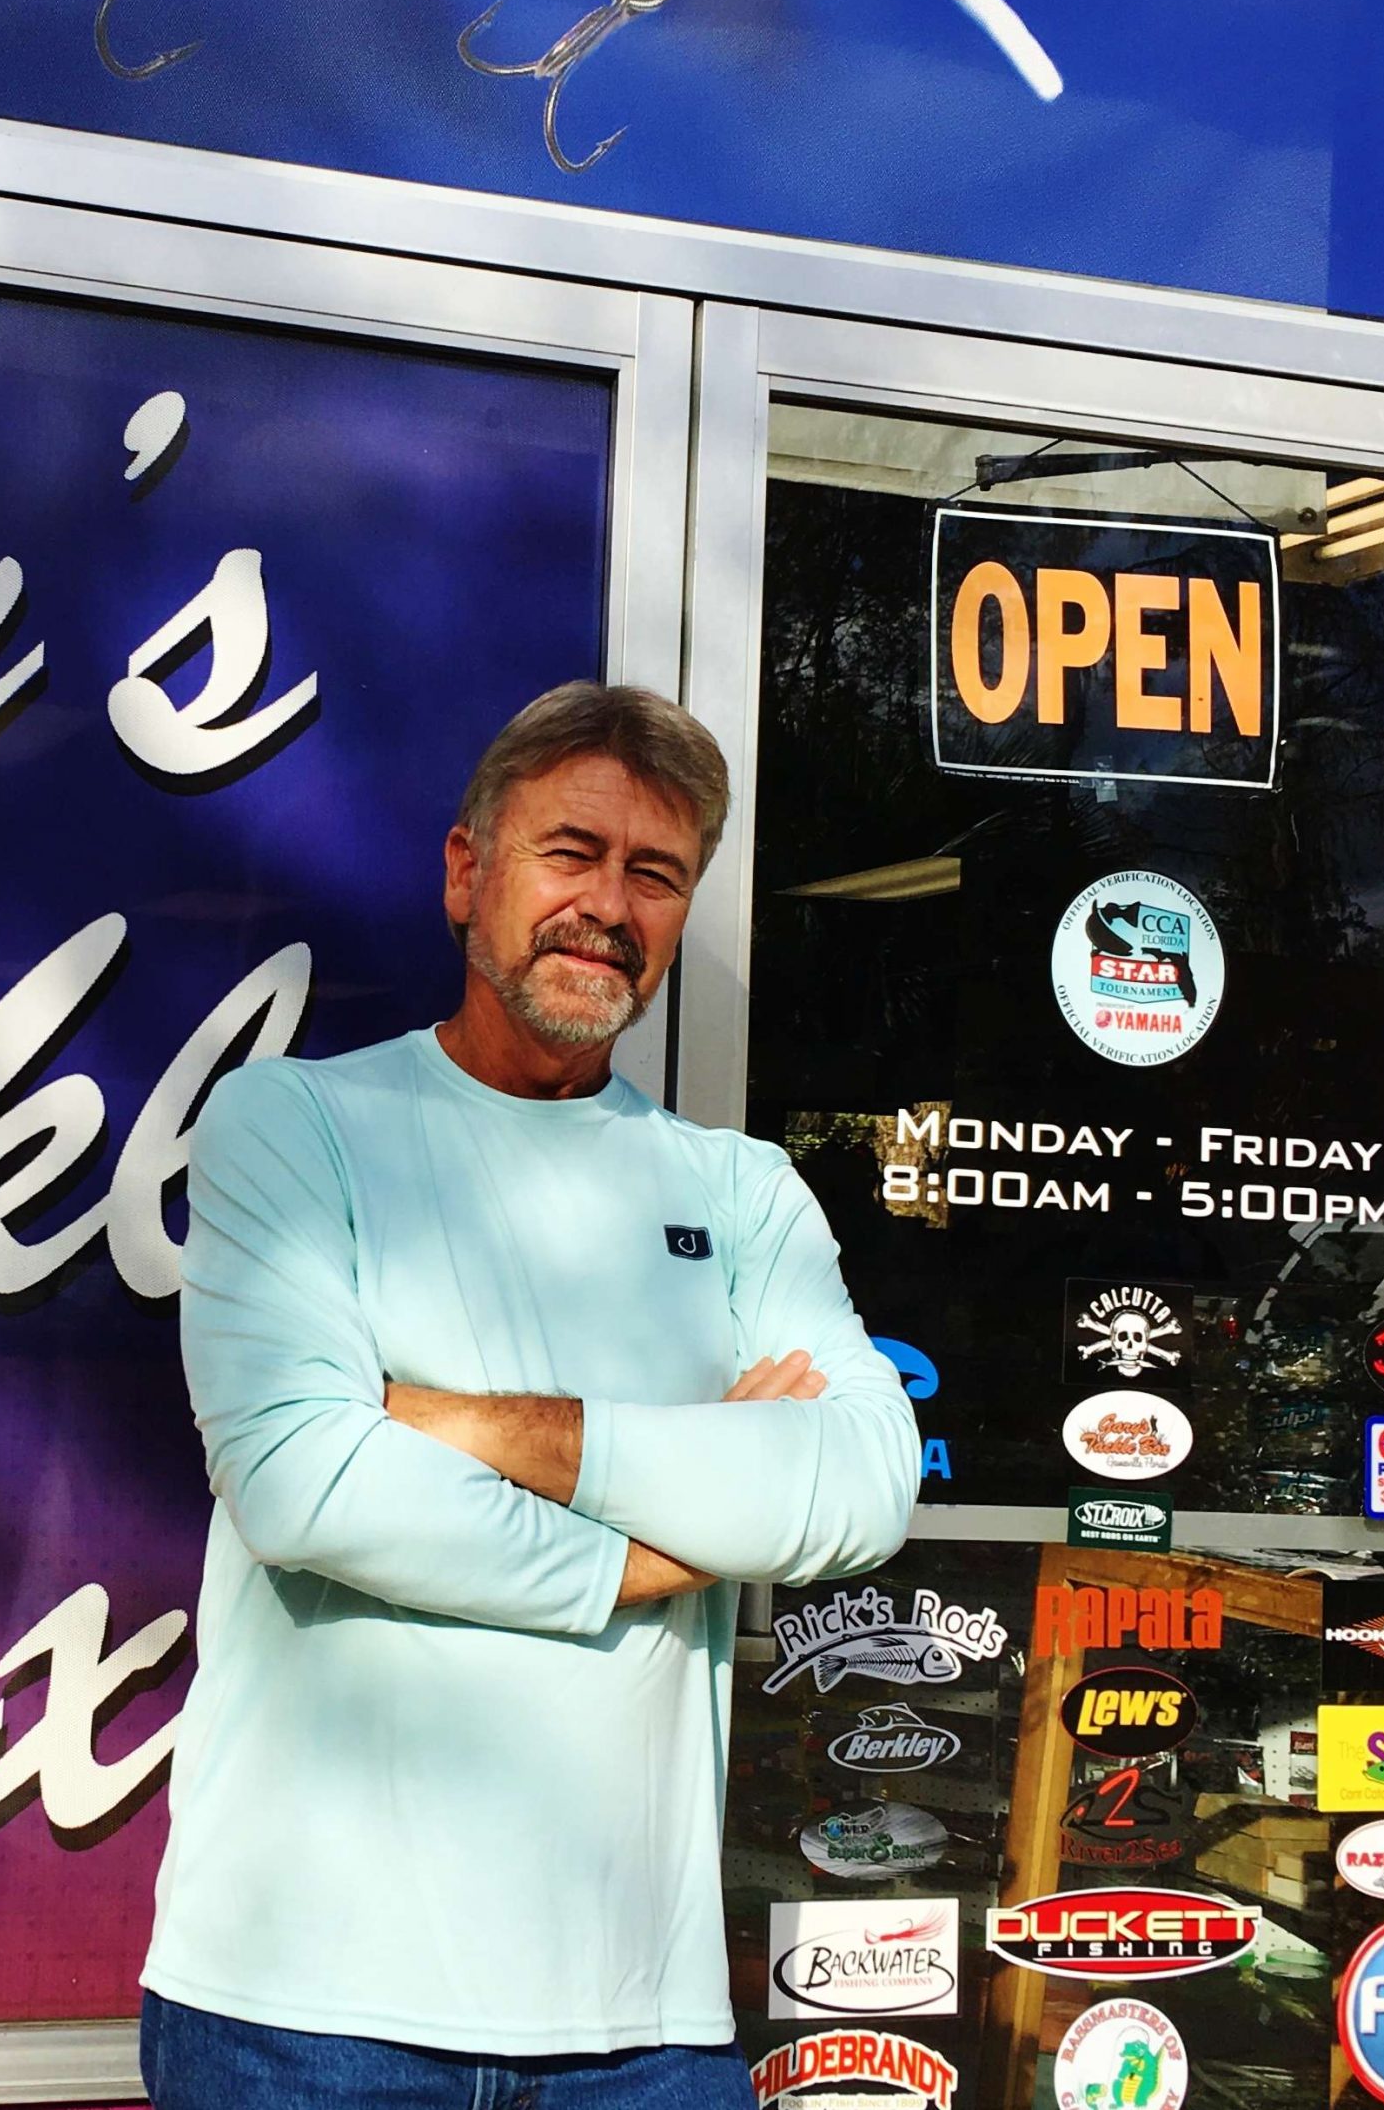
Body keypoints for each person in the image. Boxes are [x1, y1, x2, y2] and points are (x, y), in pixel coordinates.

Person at [138, 681, 919, 2108]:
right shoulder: (296, 1126)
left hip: (642, 2024)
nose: (608, 904)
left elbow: (863, 1487)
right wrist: (672, 1537)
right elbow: (306, 1487)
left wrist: (454, 1419)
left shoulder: (739, 1190)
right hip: (304, 2012)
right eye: (572, 851)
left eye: (655, 873)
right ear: (467, 872)